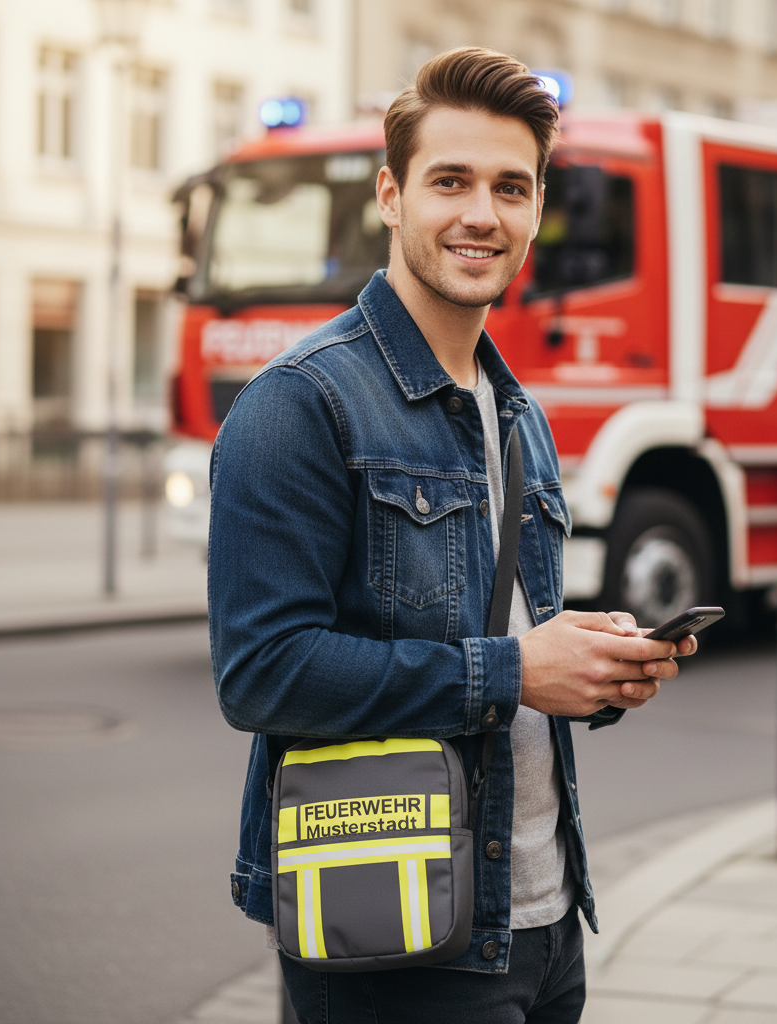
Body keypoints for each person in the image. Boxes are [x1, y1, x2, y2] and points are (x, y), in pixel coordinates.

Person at [208, 46, 696, 1024]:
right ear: (391, 195)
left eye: (511, 187)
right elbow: (262, 673)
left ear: (536, 211)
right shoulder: (299, 406)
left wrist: (594, 671)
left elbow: (509, 639)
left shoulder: (518, 411)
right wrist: (513, 670)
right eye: (451, 181)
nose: (483, 212)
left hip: (548, 920)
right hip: (393, 930)